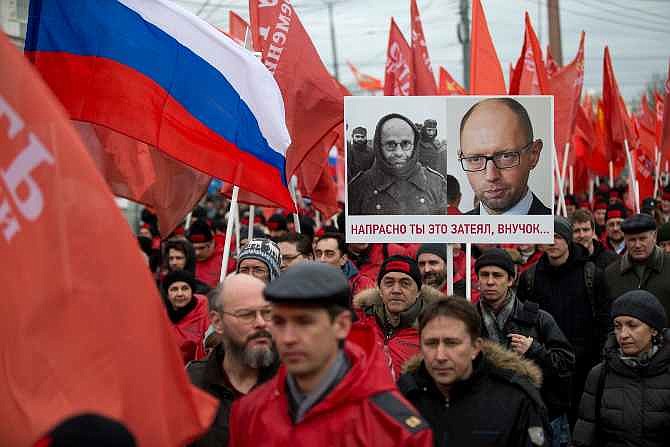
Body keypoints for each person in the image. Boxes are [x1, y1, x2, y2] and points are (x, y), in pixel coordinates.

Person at [228, 262, 433, 446]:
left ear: (342, 325)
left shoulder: (394, 428)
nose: (288, 338)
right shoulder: (248, 412)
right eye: (279, 322)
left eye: (305, 322)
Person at [397, 298, 550, 447]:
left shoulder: (516, 400)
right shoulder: (404, 397)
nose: (440, 356)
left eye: (452, 343)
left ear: (475, 347)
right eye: (431, 343)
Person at [475, 248, 575, 446]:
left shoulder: (538, 318)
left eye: (497, 275)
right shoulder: (466, 319)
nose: (490, 281)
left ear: (510, 280)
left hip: (538, 416)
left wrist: (535, 350)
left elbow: (566, 363)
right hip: (485, 417)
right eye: (484, 275)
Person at [517, 216, 609, 425]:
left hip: (584, 366)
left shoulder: (592, 274)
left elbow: (604, 320)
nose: (553, 242)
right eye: (548, 236)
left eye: (558, 236)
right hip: (544, 364)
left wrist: (601, 358)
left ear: (568, 239)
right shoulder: (530, 278)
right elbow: (523, 322)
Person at [187, 274, 279, 447]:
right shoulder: (192, 384)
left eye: (267, 312)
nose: (261, 323)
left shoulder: (296, 381)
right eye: (246, 315)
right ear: (218, 322)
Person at [572, 290, 670, 447]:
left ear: (653, 329)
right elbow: (583, 436)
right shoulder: (600, 375)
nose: (623, 334)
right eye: (618, 326)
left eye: (632, 325)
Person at [353, 255, 444, 379]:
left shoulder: (436, 330)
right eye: (389, 283)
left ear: (418, 292)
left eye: (405, 283)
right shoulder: (358, 323)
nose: (396, 290)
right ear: (379, 289)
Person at [458, 98, 550, 215]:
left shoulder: (557, 230)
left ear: (533, 154)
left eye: (506, 156)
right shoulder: (448, 232)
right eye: (475, 159)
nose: (491, 176)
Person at [348, 113, 448, 215]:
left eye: (406, 144)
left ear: (415, 145)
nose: (399, 153)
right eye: (390, 145)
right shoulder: (359, 187)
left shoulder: (436, 184)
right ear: (379, 146)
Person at [604, 213, 670, 319]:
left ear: (654, 236)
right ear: (625, 239)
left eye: (642, 239)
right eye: (632, 240)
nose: (637, 245)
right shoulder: (612, 274)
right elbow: (608, 317)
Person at [161, 270, 210, 364]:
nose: (180, 294)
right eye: (174, 289)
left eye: (185, 288)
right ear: (167, 294)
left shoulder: (205, 310)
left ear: (192, 291)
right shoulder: (162, 317)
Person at [314, 232, 375, 296]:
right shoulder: (308, 283)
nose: (322, 259)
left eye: (329, 254)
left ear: (343, 259)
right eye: (318, 254)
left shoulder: (362, 285)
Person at [187, 220, 224, 288]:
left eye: (202, 248)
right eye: (193, 248)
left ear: (212, 243)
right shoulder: (183, 259)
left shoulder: (226, 260)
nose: (197, 253)